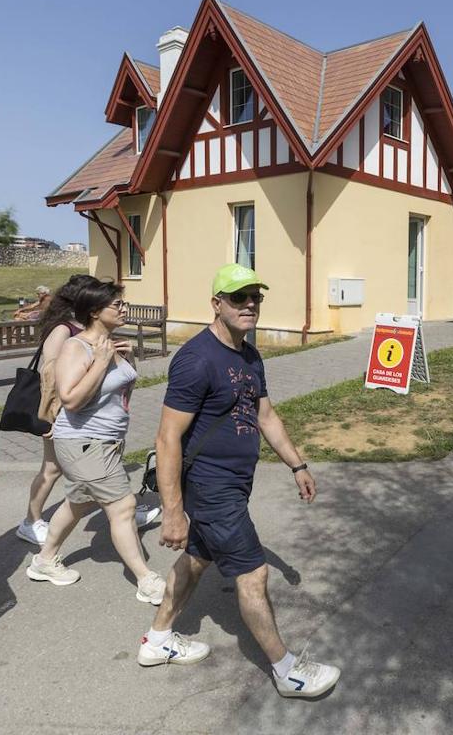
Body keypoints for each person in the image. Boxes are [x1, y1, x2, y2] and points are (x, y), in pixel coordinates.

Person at [136, 263, 340, 699]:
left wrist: (297, 465)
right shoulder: (195, 359)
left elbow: (265, 415)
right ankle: (287, 672)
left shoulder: (249, 354)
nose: (249, 305)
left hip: (234, 483)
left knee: (196, 561)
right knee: (252, 574)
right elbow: (167, 437)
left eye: (255, 298)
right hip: (211, 488)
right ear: (216, 304)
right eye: (238, 298)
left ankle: (157, 640)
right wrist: (173, 512)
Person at [24, 277, 167, 605]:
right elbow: (71, 399)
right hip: (83, 442)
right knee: (123, 506)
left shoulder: (110, 344)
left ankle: (44, 561)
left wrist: (125, 360)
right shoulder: (76, 347)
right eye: (117, 305)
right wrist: (102, 362)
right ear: (94, 311)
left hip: (105, 441)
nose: (124, 309)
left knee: (79, 503)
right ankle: (146, 579)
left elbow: (117, 391)